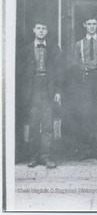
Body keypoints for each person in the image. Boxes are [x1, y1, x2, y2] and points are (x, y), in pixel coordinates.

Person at [18, 20, 62, 168]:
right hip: (33, 89)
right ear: (34, 30)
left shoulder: (54, 49)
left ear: (47, 31)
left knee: (48, 125)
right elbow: (21, 74)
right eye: (38, 28)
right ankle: (33, 157)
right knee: (34, 124)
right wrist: (26, 93)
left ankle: (46, 157)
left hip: (48, 89)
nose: (41, 31)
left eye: (44, 28)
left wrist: (57, 91)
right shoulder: (25, 50)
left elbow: (58, 72)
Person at [73, 14, 97, 161]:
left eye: (94, 23)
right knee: (86, 116)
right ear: (84, 25)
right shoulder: (79, 44)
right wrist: (78, 88)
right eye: (89, 23)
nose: (91, 26)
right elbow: (74, 68)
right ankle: (86, 150)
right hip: (85, 80)